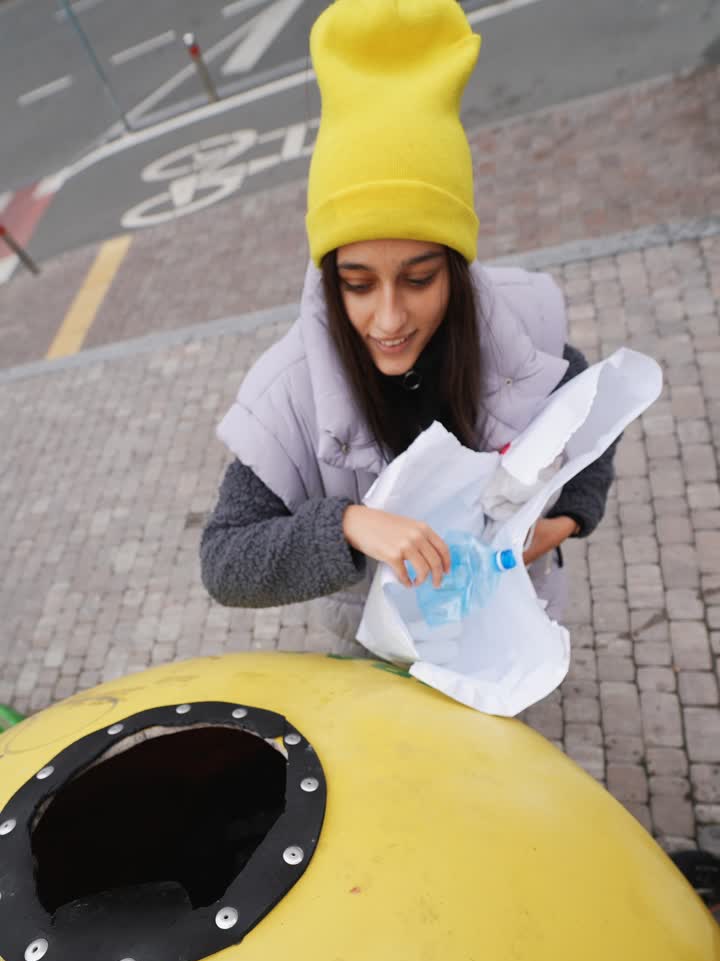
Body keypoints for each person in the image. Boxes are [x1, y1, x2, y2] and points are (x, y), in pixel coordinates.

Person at [201, 0, 615, 652]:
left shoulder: (522, 319)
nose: (389, 319)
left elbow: (595, 415)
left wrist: (563, 520)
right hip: (383, 658)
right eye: (358, 284)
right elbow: (225, 562)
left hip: (513, 616)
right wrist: (349, 526)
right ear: (329, 275)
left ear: (455, 266)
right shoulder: (288, 388)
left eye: (420, 278)